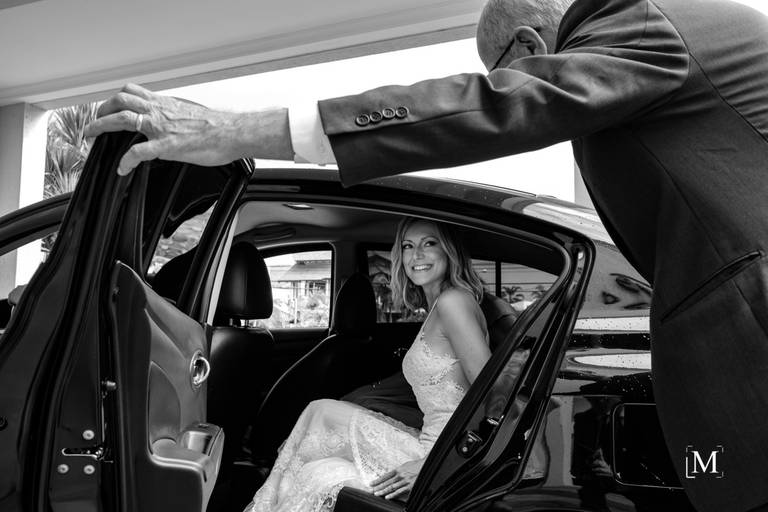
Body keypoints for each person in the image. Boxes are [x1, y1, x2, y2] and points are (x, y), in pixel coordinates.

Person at [85, 0, 768, 509]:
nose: (415, 256)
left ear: (531, 46)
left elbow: (490, 108)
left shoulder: (638, 23)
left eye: (508, 71)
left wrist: (239, 130)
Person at [243, 218, 489, 511]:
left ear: (450, 251)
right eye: (408, 246)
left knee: (318, 438)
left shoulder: (453, 302)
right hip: (432, 441)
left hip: (444, 455)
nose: (417, 255)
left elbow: (492, 397)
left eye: (429, 243)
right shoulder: (440, 306)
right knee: (318, 444)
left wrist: (430, 465)